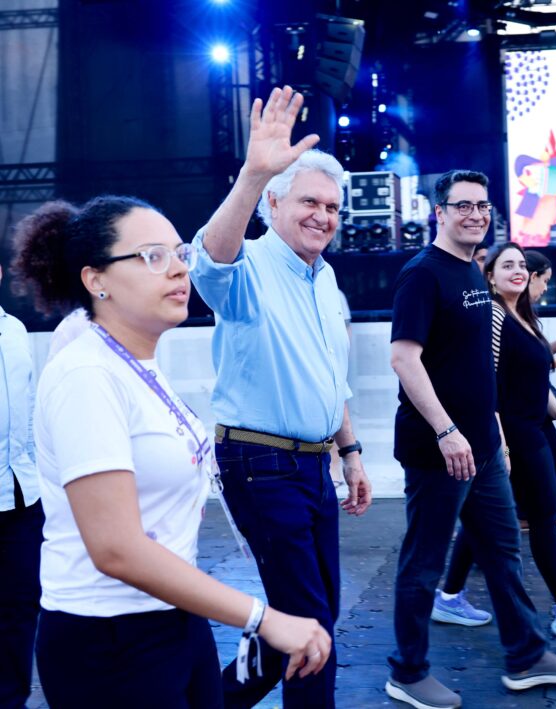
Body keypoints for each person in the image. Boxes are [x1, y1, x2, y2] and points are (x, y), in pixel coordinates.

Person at [12, 196, 331, 708]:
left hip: (174, 617)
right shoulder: (86, 375)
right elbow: (116, 548)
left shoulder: (137, 362)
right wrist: (262, 618)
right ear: (96, 279)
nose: (180, 269)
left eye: (180, 253)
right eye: (153, 256)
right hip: (110, 641)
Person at [190, 86, 372, 708]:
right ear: (272, 203)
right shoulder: (247, 267)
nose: (323, 215)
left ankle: (214, 701)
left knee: (314, 615)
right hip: (260, 463)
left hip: (314, 465)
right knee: (309, 620)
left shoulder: (325, 277)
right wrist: (252, 173)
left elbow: (330, 377)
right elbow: (209, 262)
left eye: (332, 206)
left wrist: (350, 452)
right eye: (309, 202)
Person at [387, 169, 556, 709]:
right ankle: (407, 672)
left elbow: (477, 367)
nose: (475, 214)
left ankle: (526, 655)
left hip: (483, 448)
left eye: (482, 206)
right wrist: (447, 430)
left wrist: (490, 429)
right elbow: (404, 359)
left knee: (502, 552)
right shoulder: (423, 275)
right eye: (463, 205)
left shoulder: (472, 272)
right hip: (440, 450)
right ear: (440, 212)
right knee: (424, 563)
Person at [434, 244, 556, 642]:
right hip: (515, 434)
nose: (518, 270)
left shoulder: (524, 316)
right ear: (490, 276)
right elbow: (487, 382)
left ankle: (449, 596)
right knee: (544, 516)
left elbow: (532, 374)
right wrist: (500, 441)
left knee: (486, 518)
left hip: (533, 427)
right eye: (507, 265)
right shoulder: (494, 315)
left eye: (521, 264)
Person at [0, 262, 43, 709]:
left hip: (22, 494)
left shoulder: (16, 330)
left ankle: (12, 699)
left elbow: (28, 412)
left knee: (21, 603)